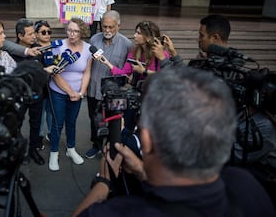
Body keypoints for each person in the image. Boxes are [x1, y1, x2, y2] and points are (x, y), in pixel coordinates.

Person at [73, 66, 276, 217]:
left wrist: (102, 184)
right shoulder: (246, 185)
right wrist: (142, 172)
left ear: (147, 140)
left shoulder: (120, 212)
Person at [86, 10, 133, 159]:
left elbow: (127, 71)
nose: (106, 30)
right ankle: (96, 145)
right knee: (94, 119)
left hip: (113, 92)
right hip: (94, 89)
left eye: (110, 27)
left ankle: (111, 148)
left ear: (118, 26)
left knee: (114, 122)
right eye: (104, 27)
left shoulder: (127, 45)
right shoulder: (94, 39)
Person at [48, 17, 92, 171]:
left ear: (82, 32)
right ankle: (54, 153)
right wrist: (70, 92)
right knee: (57, 123)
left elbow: (87, 72)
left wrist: (81, 92)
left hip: (77, 94)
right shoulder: (58, 46)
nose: (72, 34)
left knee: (71, 122)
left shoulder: (88, 49)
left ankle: (71, 149)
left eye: (76, 31)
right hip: (59, 91)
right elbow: (54, 73)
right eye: (70, 30)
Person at [11, 18, 45, 165]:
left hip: (37, 96)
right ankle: (18, 151)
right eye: (30, 34)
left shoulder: (38, 49)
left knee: (36, 124)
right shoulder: (11, 52)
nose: (34, 36)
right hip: (19, 97)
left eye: (34, 33)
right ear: (20, 35)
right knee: (16, 125)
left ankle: (33, 149)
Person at [97, 20, 169, 81]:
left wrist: (144, 71)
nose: (134, 35)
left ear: (148, 38)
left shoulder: (162, 55)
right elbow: (124, 73)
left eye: (138, 33)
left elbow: (166, 76)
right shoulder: (134, 52)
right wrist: (107, 63)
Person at [34, 20, 54, 147]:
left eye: (49, 32)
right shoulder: (33, 50)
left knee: (52, 113)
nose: (47, 34)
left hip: (54, 87)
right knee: (40, 115)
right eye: (43, 32)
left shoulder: (55, 47)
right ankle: (39, 137)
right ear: (36, 34)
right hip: (40, 88)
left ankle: (52, 134)